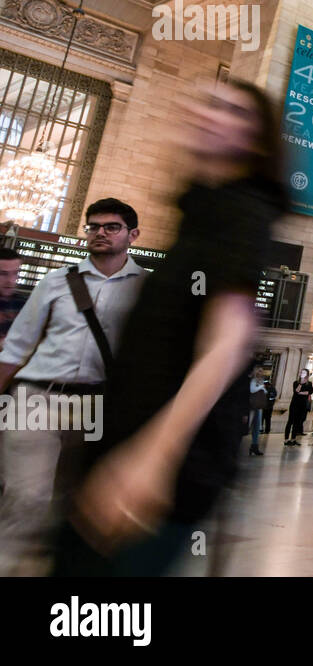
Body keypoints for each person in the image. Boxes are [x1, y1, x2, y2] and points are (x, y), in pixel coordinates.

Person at [53, 80, 287, 575]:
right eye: (206, 102)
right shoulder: (200, 215)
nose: (206, 113)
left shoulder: (243, 213)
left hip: (163, 471)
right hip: (122, 452)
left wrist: (153, 459)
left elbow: (226, 344)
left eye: (228, 110)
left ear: (256, 140)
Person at [0, 198, 147, 576]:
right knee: (27, 496)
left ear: (133, 235)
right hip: (38, 395)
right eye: (93, 226)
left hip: (95, 402)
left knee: (72, 498)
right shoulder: (57, 280)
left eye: (110, 226)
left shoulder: (146, 288)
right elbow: (17, 344)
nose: (99, 232)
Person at [284, 369, 313, 446]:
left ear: (307, 374)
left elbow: (309, 392)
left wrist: (301, 393)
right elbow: (296, 391)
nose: (301, 373)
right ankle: (286, 440)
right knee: (290, 421)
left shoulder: (309, 384)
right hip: (294, 404)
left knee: (297, 422)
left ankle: (293, 439)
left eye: (304, 372)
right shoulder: (296, 382)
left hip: (302, 405)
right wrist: (301, 383)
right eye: (301, 372)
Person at [248, 368, 270, 456]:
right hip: (253, 406)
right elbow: (252, 390)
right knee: (250, 425)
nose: (261, 373)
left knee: (257, 427)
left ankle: (255, 446)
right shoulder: (253, 380)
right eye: (259, 371)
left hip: (259, 406)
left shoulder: (261, 381)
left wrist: (264, 389)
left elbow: (264, 391)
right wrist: (261, 387)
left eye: (262, 371)